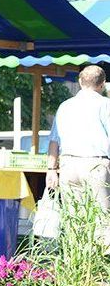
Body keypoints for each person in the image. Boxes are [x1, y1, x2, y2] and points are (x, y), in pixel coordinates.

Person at [48, 64, 110, 212]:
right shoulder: (106, 105)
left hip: (68, 165)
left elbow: (54, 141)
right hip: (96, 165)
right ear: (102, 84)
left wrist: (51, 169)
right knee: (102, 218)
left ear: (80, 82)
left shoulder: (65, 106)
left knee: (73, 219)